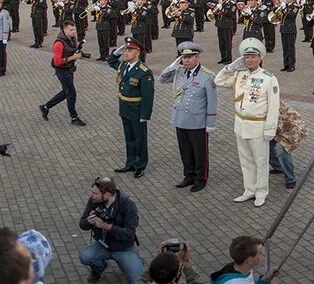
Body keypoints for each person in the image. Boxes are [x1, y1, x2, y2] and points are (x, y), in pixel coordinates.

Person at [214, 38, 281, 208]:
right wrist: (230, 67)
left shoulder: (269, 78)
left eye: (253, 57)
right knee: (245, 160)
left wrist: (270, 129)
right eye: (246, 57)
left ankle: (261, 191)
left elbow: (274, 106)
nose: (249, 60)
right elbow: (218, 81)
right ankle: (249, 189)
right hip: (241, 124)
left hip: (258, 125)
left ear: (260, 58)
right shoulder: (239, 74)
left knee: (260, 161)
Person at [157, 41, 217, 192]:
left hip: (197, 122)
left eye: (190, 57)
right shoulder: (179, 72)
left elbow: (212, 102)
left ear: (197, 57)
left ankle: (200, 178)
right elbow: (162, 79)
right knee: (185, 151)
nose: (187, 60)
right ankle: (188, 175)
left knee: (199, 152)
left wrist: (210, 123)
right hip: (180, 119)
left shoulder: (207, 76)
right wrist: (173, 65)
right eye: (184, 58)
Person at [78, 176, 144, 284]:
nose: (92, 196)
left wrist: (109, 227)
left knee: (139, 281)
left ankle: (136, 261)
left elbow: (130, 233)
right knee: (85, 257)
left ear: (107, 194)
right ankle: (98, 268)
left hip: (123, 248)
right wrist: (88, 221)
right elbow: (82, 224)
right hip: (102, 244)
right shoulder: (94, 201)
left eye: (95, 193)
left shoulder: (128, 205)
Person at [108, 39, 155, 178]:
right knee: (129, 137)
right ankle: (130, 162)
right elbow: (111, 61)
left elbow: (148, 96)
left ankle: (140, 165)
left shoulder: (144, 72)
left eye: (130, 50)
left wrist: (145, 115)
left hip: (137, 109)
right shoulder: (123, 65)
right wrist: (116, 52)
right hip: (125, 107)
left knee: (139, 138)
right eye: (126, 50)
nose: (126, 53)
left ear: (138, 52)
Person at [40, 19, 87, 126]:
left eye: (74, 29)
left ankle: (45, 107)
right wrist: (73, 57)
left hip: (69, 69)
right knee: (71, 93)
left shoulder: (72, 38)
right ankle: (74, 117)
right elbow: (57, 62)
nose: (73, 32)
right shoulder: (58, 43)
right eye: (71, 30)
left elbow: (71, 51)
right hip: (62, 71)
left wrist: (78, 54)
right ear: (64, 30)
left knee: (66, 92)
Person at [209, 236, 279, 283]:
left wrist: (265, 279)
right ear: (250, 260)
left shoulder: (243, 268)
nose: (263, 254)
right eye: (260, 253)